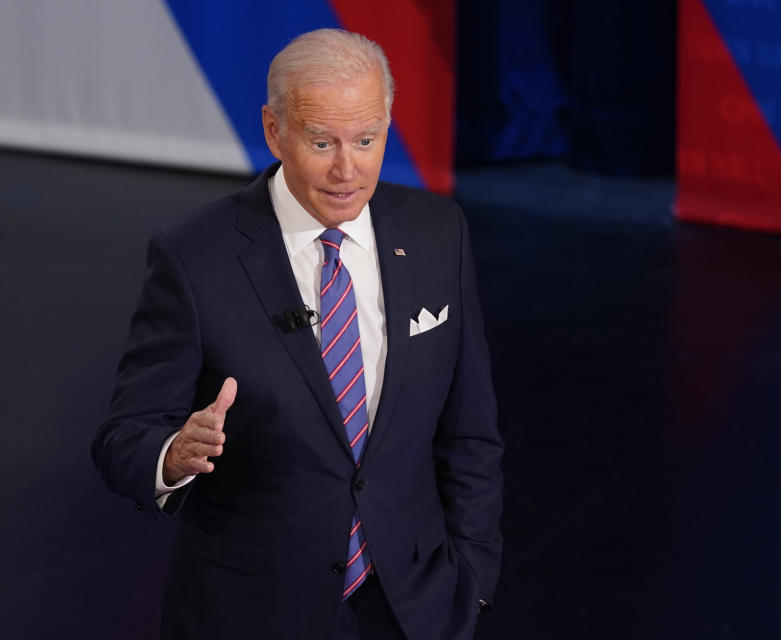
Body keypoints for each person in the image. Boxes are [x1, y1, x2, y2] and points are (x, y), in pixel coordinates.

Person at [91, 28, 503, 640]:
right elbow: (122, 437)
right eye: (321, 142)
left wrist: (471, 579)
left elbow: (470, 432)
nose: (347, 169)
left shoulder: (439, 231)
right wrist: (173, 454)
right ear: (273, 130)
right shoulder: (194, 256)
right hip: (250, 611)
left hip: (414, 606)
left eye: (366, 140)